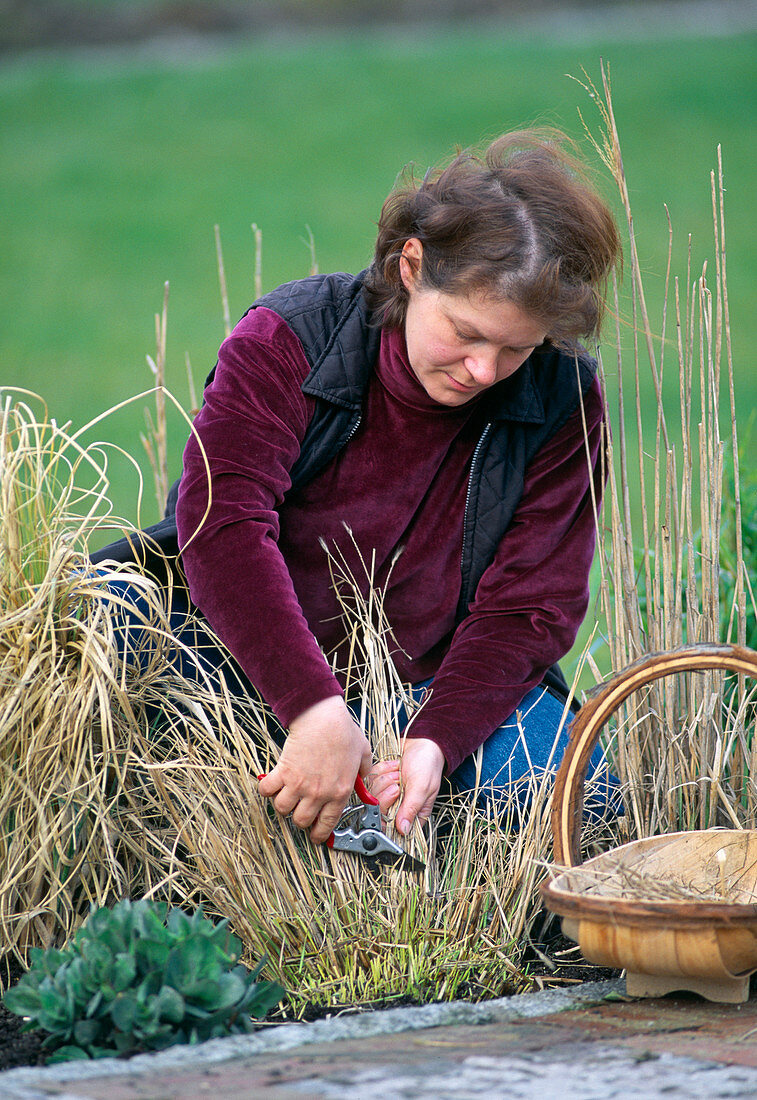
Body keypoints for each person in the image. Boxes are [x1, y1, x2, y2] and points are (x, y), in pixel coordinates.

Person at [98, 129, 621, 847]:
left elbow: (531, 605)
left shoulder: (562, 395)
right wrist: (312, 708)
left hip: (428, 687)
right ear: (411, 267)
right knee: (108, 617)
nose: (482, 371)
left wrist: (437, 739)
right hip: (236, 661)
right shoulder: (287, 339)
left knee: (581, 797)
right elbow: (220, 527)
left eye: (514, 348)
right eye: (465, 333)